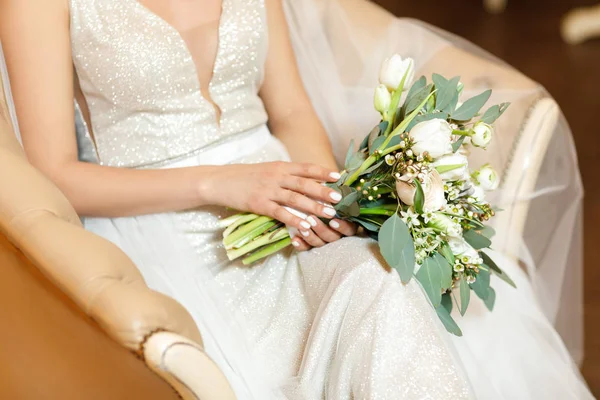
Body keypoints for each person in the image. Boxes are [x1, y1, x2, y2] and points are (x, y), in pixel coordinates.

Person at [0, 0, 593, 398]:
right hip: (161, 219)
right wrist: (219, 184)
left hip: (285, 198)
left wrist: (326, 199)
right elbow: (54, 171)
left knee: (377, 280)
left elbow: (291, 111)